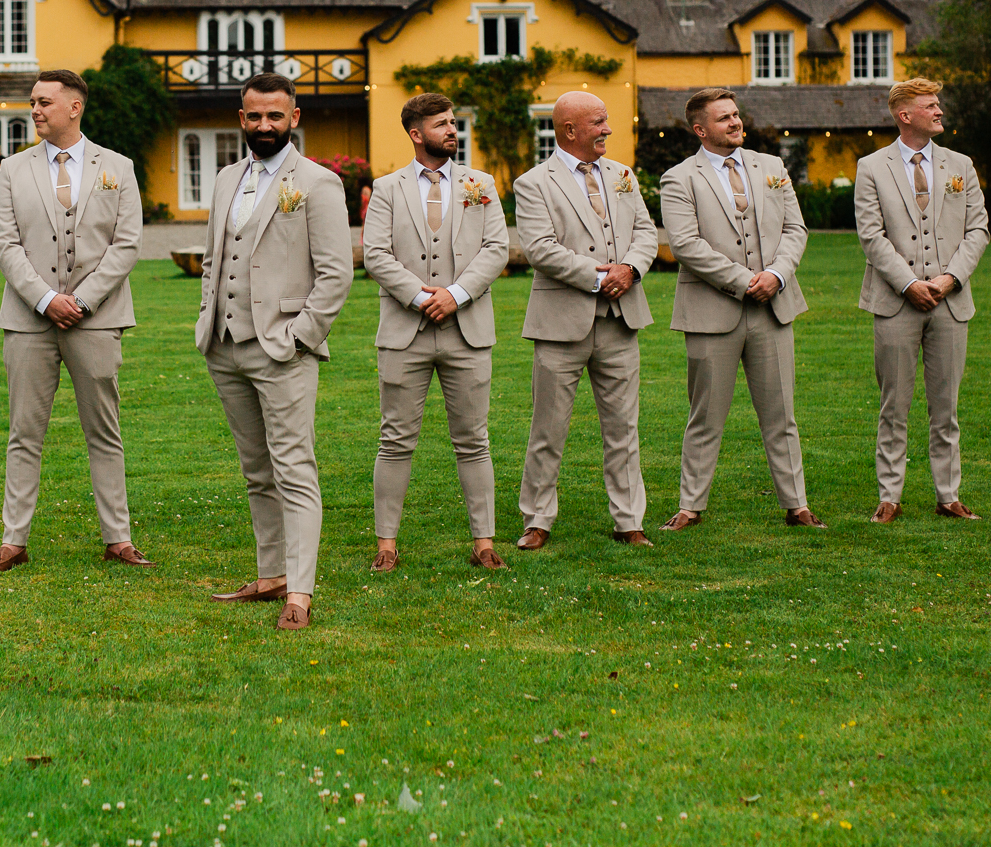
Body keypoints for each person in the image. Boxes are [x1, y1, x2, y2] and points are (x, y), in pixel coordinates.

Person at [195, 72, 352, 631]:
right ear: (242, 119)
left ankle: (301, 592)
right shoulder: (223, 180)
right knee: (256, 469)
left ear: (294, 118)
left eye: (275, 117)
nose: (264, 126)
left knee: (294, 469)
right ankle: (270, 575)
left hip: (283, 349)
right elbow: (216, 257)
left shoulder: (318, 182)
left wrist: (299, 337)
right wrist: (207, 320)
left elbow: (336, 275)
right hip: (225, 345)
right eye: (254, 117)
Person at [0, 69, 148, 572]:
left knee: (104, 430)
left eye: (44, 102)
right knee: (23, 431)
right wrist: (44, 299)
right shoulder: (12, 169)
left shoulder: (117, 166)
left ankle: (117, 537)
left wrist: (84, 300)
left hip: (96, 321)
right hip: (28, 321)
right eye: (32, 102)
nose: (34, 110)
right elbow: (5, 244)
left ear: (74, 107)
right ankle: (13, 540)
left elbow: (127, 244)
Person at [656, 88, 823, 531]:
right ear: (700, 129)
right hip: (713, 310)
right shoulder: (679, 178)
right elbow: (686, 244)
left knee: (781, 412)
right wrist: (743, 281)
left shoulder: (771, 167)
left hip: (774, 306)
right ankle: (691, 506)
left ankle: (797, 505)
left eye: (735, 115)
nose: (734, 122)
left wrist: (777, 276)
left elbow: (795, 228)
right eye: (724, 118)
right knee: (705, 414)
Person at [360, 92, 510, 571]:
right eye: (442, 124)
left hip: (468, 330)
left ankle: (484, 542)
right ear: (415, 133)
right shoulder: (387, 189)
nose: (452, 130)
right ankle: (386, 544)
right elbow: (375, 254)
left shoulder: (480, 184)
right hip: (406, 330)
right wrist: (422, 296)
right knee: (395, 438)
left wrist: (457, 294)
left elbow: (496, 248)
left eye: (453, 123)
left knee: (474, 439)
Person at [512, 91, 659, 549]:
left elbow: (646, 233)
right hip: (560, 323)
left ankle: (629, 520)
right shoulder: (533, 182)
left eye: (606, 119)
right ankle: (537, 520)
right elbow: (540, 248)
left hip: (621, 321)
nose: (608, 129)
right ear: (569, 130)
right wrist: (600, 278)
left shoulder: (623, 176)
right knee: (548, 428)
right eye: (598, 121)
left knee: (624, 428)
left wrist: (630, 269)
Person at [853, 78, 991, 523]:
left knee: (946, 407)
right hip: (896, 303)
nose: (940, 111)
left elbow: (978, 230)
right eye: (931, 106)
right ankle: (889, 496)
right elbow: (871, 236)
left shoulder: (961, 165)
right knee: (894, 405)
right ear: (904, 115)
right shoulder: (872, 167)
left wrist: (950, 278)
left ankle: (948, 495)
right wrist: (909, 283)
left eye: (939, 104)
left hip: (951, 303)